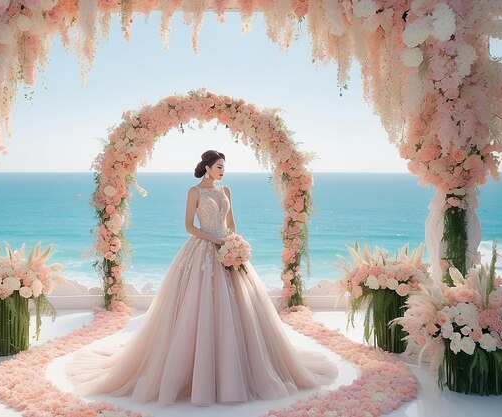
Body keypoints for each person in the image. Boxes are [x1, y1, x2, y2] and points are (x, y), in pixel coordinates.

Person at [68, 150, 337, 406]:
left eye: (224, 168)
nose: (222, 172)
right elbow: (188, 226)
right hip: (202, 250)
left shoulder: (226, 190)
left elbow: (232, 224)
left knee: (240, 308)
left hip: (229, 250)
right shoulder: (194, 192)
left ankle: (239, 372)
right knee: (197, 306)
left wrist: (234, 243)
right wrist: (215, 240)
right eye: (219, 167)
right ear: (207, 167)